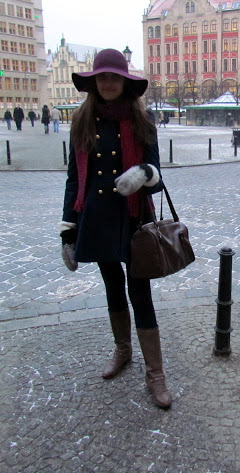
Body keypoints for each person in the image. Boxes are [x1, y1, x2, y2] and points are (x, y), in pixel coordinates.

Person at [59, 48, 171, 409]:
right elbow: (74, 179)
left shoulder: (142, 119)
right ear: (94, 82)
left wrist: (142, 174)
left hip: (133, 218)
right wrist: (68, 229)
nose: (108, 83)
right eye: (102, 77)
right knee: (112, 287)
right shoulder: (82, 120)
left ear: (124, 82)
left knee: (140, 292)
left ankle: (155, 372)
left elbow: (157, 177)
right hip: (96, 218)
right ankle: (123, 351)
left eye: (114, 77)